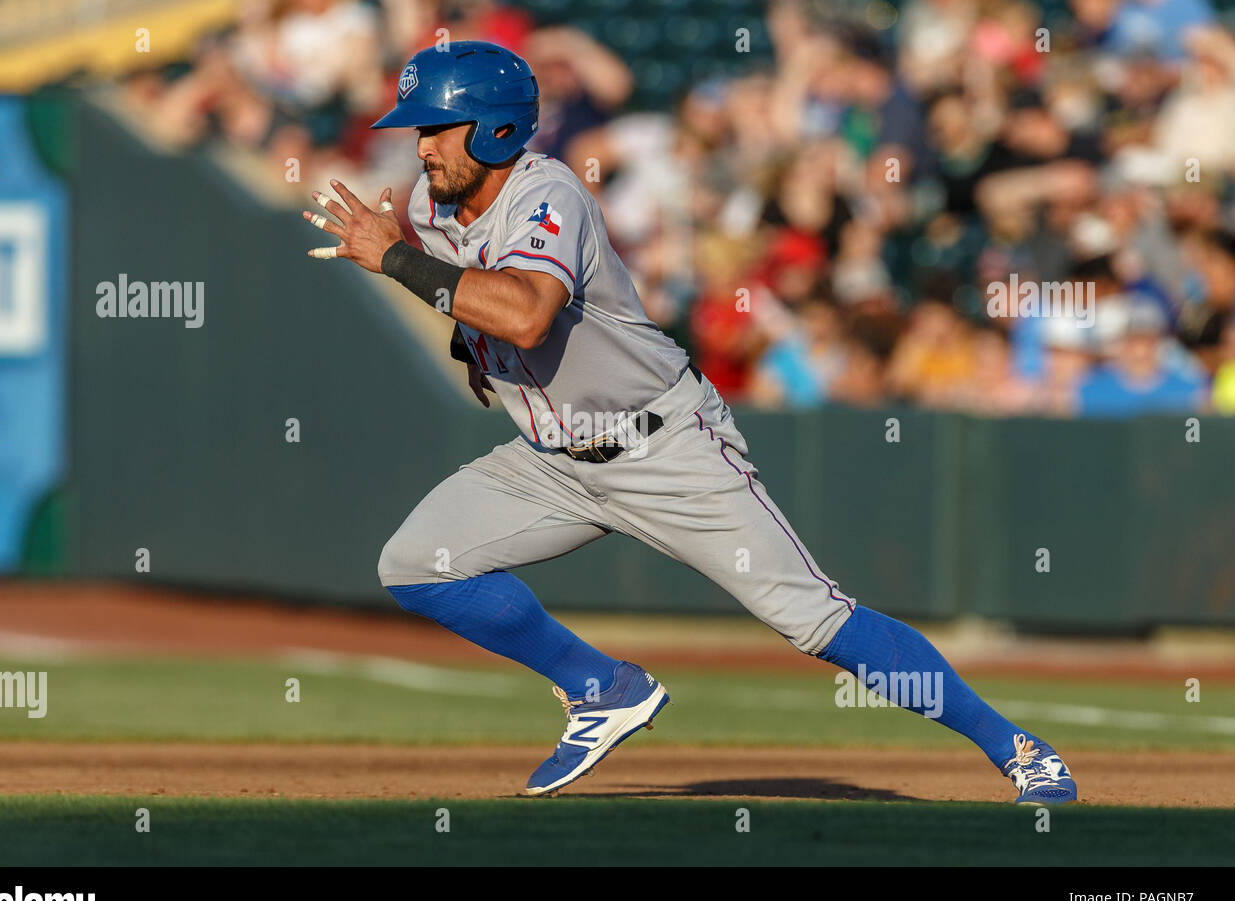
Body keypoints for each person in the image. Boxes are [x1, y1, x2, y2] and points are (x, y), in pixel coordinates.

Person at [303, 41, 1077, 803]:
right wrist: (469, 342)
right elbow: (487, 305)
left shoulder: (550, 194)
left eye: (436, 128)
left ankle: (1016, 749)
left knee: (813, 619)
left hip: (662, 444)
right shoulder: (427, 210)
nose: (421, 145)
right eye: (418, 130)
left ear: (494, 128)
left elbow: (531, 316)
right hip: (550, 460)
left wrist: (397, 262)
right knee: (415, 564)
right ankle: (602, 688)